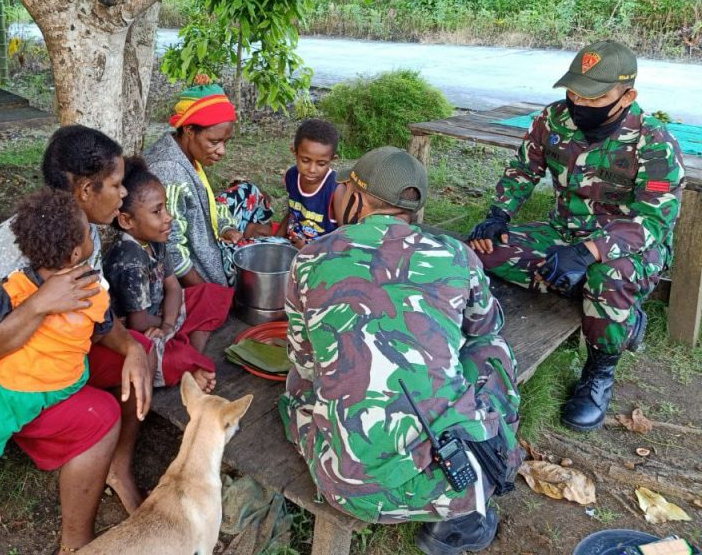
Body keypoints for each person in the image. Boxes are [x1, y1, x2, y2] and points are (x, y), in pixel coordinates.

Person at [281, 147, 522, 555]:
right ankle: (462, 508)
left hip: (346, 484)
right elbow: (483, 329)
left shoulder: (310, 259)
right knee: (490, 349)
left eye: (343, 187)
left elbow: (306, 362)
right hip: (452, 480)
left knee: (299, 385)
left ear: (355, 197)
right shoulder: (456, 255)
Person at [0, 125, 154, 553]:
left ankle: (117, 470)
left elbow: (100, 317)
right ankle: (76, 544)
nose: (124, 194)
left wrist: (131, 349)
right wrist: (38, 304)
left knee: (137, 359)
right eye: (115, 184)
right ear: (84, 189)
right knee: (100, 414)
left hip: (39, 351)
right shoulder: (24, 250)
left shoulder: (77, 237)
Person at [468, 41, 684, 432]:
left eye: (596, 96)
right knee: (480, 252)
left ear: (627, 95)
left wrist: (589, 253)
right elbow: (523, 169)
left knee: (608, 278)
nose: (580, 102)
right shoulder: (553, 120)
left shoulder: (654, 143)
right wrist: (498, 215)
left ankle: (600, 370)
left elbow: (653, 222)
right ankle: (610, 312)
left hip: (630, 249)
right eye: (573, 92)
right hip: (561, 231)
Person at [0, 188, 111, 546]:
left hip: (17, 389)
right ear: (76, 253)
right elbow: (101, 331)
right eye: (89, 232)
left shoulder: (18, 286)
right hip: (70, 380)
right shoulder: (95, 288)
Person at [104, 157, 232, 394]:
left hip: (163, 317)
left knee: (212, 293)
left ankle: (188, 346)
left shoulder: (156, 239)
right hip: (141, 330)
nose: (168, 217)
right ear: (126, 220)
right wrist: (165, 327)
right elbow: (138, 322)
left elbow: (173, 287)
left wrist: (170, 324)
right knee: (168, 358)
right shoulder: (129, 261)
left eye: (165, 207)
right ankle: (189, 349)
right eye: (157, 211)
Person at [143, 78, 275, 287]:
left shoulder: (182, 149)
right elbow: (172, 248)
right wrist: (207, 291)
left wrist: (224, 227)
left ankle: (244, 230)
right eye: (214, 142)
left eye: (225, 141)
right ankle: (250, 234)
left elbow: (204, 203)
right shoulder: (169, 170)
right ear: (189, 130)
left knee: (249, 192)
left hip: (208, 229)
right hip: (208, 261)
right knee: (277, 249)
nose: (222, 151)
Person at [275, 119, 347, 247]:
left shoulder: (336, 189)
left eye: (321, 164)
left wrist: (308, 250)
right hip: (294, 241)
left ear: (332, 159)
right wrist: (275, 241)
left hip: (321, 254)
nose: (312, 170)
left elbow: (345, 237)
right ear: (295, 152)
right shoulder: (291, 175)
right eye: (305, 160)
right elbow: (293, 212)